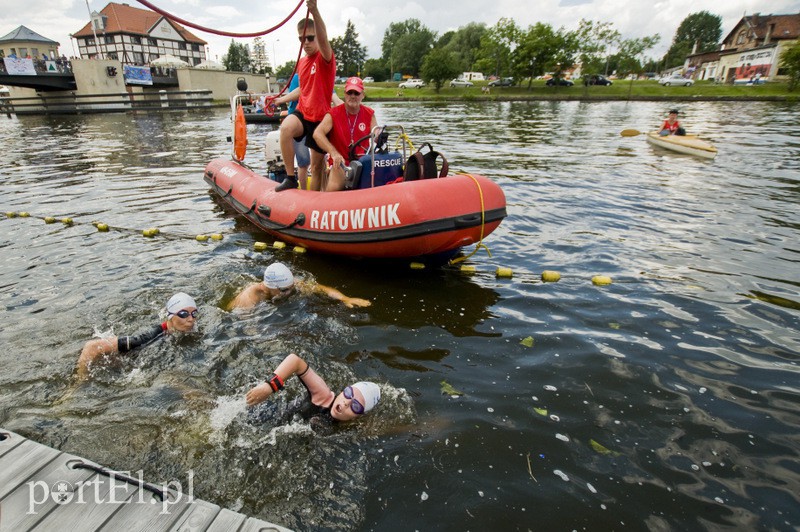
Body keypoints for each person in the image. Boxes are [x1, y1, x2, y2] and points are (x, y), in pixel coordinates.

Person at [274, 0, 335, 192]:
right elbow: (304, 88)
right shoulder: (302, 62)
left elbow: (324, 40)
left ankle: (315, 201)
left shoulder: (325, 57)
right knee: (285, 129)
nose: (306, 43)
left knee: (316, 167)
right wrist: (281, 99)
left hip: (320, 118)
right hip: (304, 112)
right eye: (301, 39)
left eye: (310, 38)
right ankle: (290, 178)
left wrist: (315, 11)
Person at [77, 292, 198, 379]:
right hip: (120, 367)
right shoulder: (150, 336)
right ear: (171, 316)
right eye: (183, 314)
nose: (190, 319)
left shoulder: (190, 331)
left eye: (194, 313)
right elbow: (91, 347)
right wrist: (80, 381)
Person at [245, 353, 380, 424]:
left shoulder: (349, 426)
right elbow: (295, 361)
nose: (346, 402)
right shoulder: (323, 396)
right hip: (259, 415)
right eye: (348, 393)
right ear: (342, 392)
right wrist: (270, 386)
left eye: (355, 406)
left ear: (357, 417)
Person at [273, 74, 343, 188]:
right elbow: (300, 91)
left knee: (318, 164)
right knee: (303, 162)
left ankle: (320, 193)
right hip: (300, 119)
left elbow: (334, 97)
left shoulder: (324, 76)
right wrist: (280, 100)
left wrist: (350, 110)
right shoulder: (299, 76)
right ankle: (299, 186)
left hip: (317, 119)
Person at [313, 76, 379, 192]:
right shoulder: (333, 113)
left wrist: (379, 135)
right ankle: (328, 202)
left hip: (363, 163)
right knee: (336, 175)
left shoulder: (369, 113)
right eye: (350, 92)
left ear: (362, 95)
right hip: (341, 164)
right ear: (345, 93)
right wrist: (333, 153)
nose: (353, 96)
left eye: (356, 93)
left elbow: (376, 131)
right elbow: (318, 134)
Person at [229, 262, 371, 310]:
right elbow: (249, 330)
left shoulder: (287, 285)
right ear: (270, 286)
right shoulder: (249, 298)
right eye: (285, 290)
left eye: (292, 287)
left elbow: (321, 288)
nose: (290, 292)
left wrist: (345, 298)